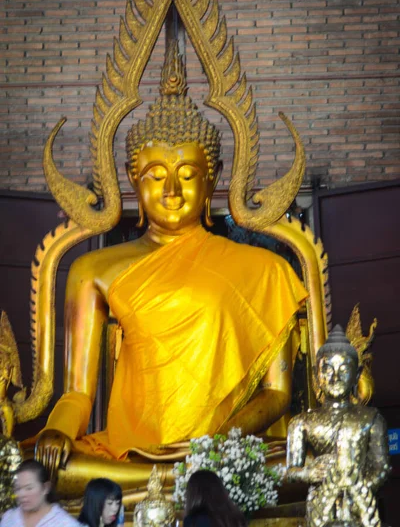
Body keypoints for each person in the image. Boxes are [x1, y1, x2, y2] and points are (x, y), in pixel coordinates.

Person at [34, 43, 308, 496]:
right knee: (50, 472)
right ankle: (183, 481)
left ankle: (193, 478)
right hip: (132, 454)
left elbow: (277, 396)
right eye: (156, 175)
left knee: (289, 467)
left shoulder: (265, 269)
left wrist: (219, 446)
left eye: (189, 173)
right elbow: (78, 394)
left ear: (213, 180)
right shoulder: (92, 270)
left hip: (222, 450)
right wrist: (58, 431)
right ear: (131, 178)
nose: (173, 190)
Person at [286, 325, 390, 526]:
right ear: (317, 376)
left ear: (357, 374)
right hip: (320, 505)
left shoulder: (371, 418)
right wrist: (307, 473)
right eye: (327, 370)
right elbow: (291, 471)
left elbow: (381, 467)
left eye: (344, 370)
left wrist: (356, 489)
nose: (335, 378)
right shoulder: (301, 422)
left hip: (358, 505)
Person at [0, 459, 79, 527]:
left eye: (29, 488)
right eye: (18, 488)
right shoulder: (9, 518)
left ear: (45, 488)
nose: (22, 494)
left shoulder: (64, 523)